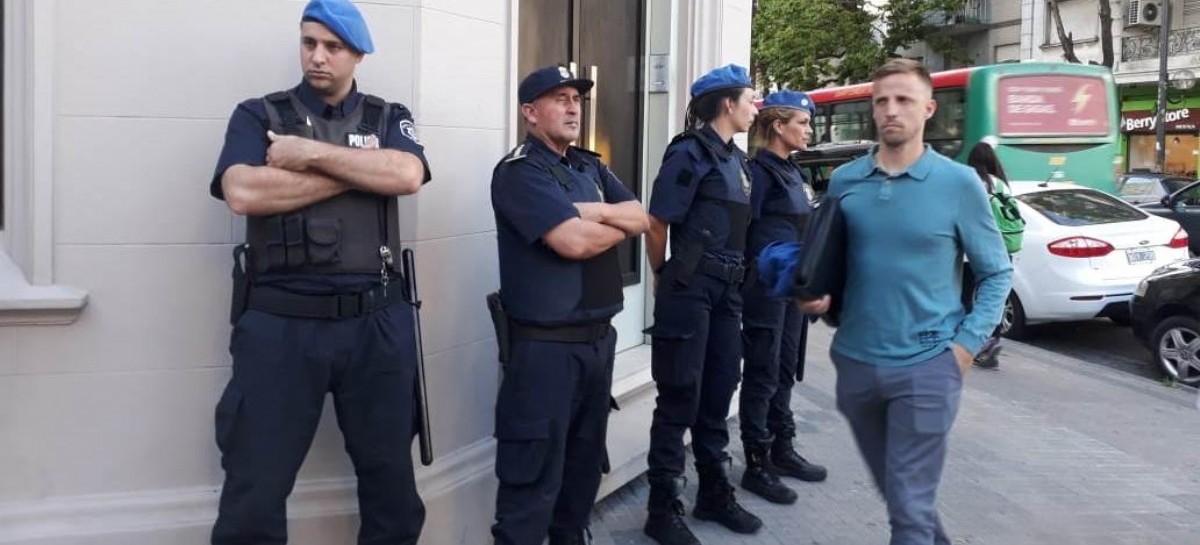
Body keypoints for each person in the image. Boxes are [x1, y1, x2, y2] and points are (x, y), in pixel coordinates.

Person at [208, 1, 431, 543]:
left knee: (392, 491)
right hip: (280, 324)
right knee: (253, 493)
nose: (318, 57)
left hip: (376, 322)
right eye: (309, 43)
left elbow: (406, 173)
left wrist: (306, 154)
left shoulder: (387, 116)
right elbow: (242, 191)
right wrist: (361, 171)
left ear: (358, 54)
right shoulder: (258, 115)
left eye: (333, 47)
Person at [800, 59, 1012, 545]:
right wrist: (818, 296)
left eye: (904, 101)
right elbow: (834, 262)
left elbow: (997, 272)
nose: (891, 110)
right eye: (882, 101)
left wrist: (965, 347)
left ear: (928, 110)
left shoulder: (958, 184)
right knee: (901, 495)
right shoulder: (846, 181)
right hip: (854, 363)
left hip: (927, 367)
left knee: (909, 512)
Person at [489, 65, 650, 545]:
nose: (573, 106)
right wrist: (605, 221)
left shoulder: (590, 166)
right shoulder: (519, 172)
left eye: (576, 98)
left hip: (598, 347)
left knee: (580, 482)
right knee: (531, 490)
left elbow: (641, 216)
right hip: (545, 354)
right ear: (529, 112)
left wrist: (593, 210)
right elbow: (573, 242)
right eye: (559, 98)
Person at [643, 64, 761, 545]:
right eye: (751, 98)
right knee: (679, 398)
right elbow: (656, 222)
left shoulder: (737, 161)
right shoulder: (688, 153)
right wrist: (660, 276)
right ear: (727, 104)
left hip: (727, 295)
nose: (757, 106)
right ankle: (661, 509)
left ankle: (713, 493)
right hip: (691, 291)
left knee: (717, 394)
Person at [737, 90, 828, 506]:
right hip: (764, 289)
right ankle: (756, 464)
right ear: (777, 125)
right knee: (762, 372)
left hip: (792, 290)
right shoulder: (758, 173)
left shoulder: (793, 172)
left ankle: (781, 449)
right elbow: (743, 232)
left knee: (786, 368)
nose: (809, 130)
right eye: (803, 122)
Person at [963, 141, 1016, 369]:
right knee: (994, 297)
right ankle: (992, 340)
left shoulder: (974, 183)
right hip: (1004, 247)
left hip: (975, 249)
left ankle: (969, 342)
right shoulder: (1002, 184)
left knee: (965, 296)